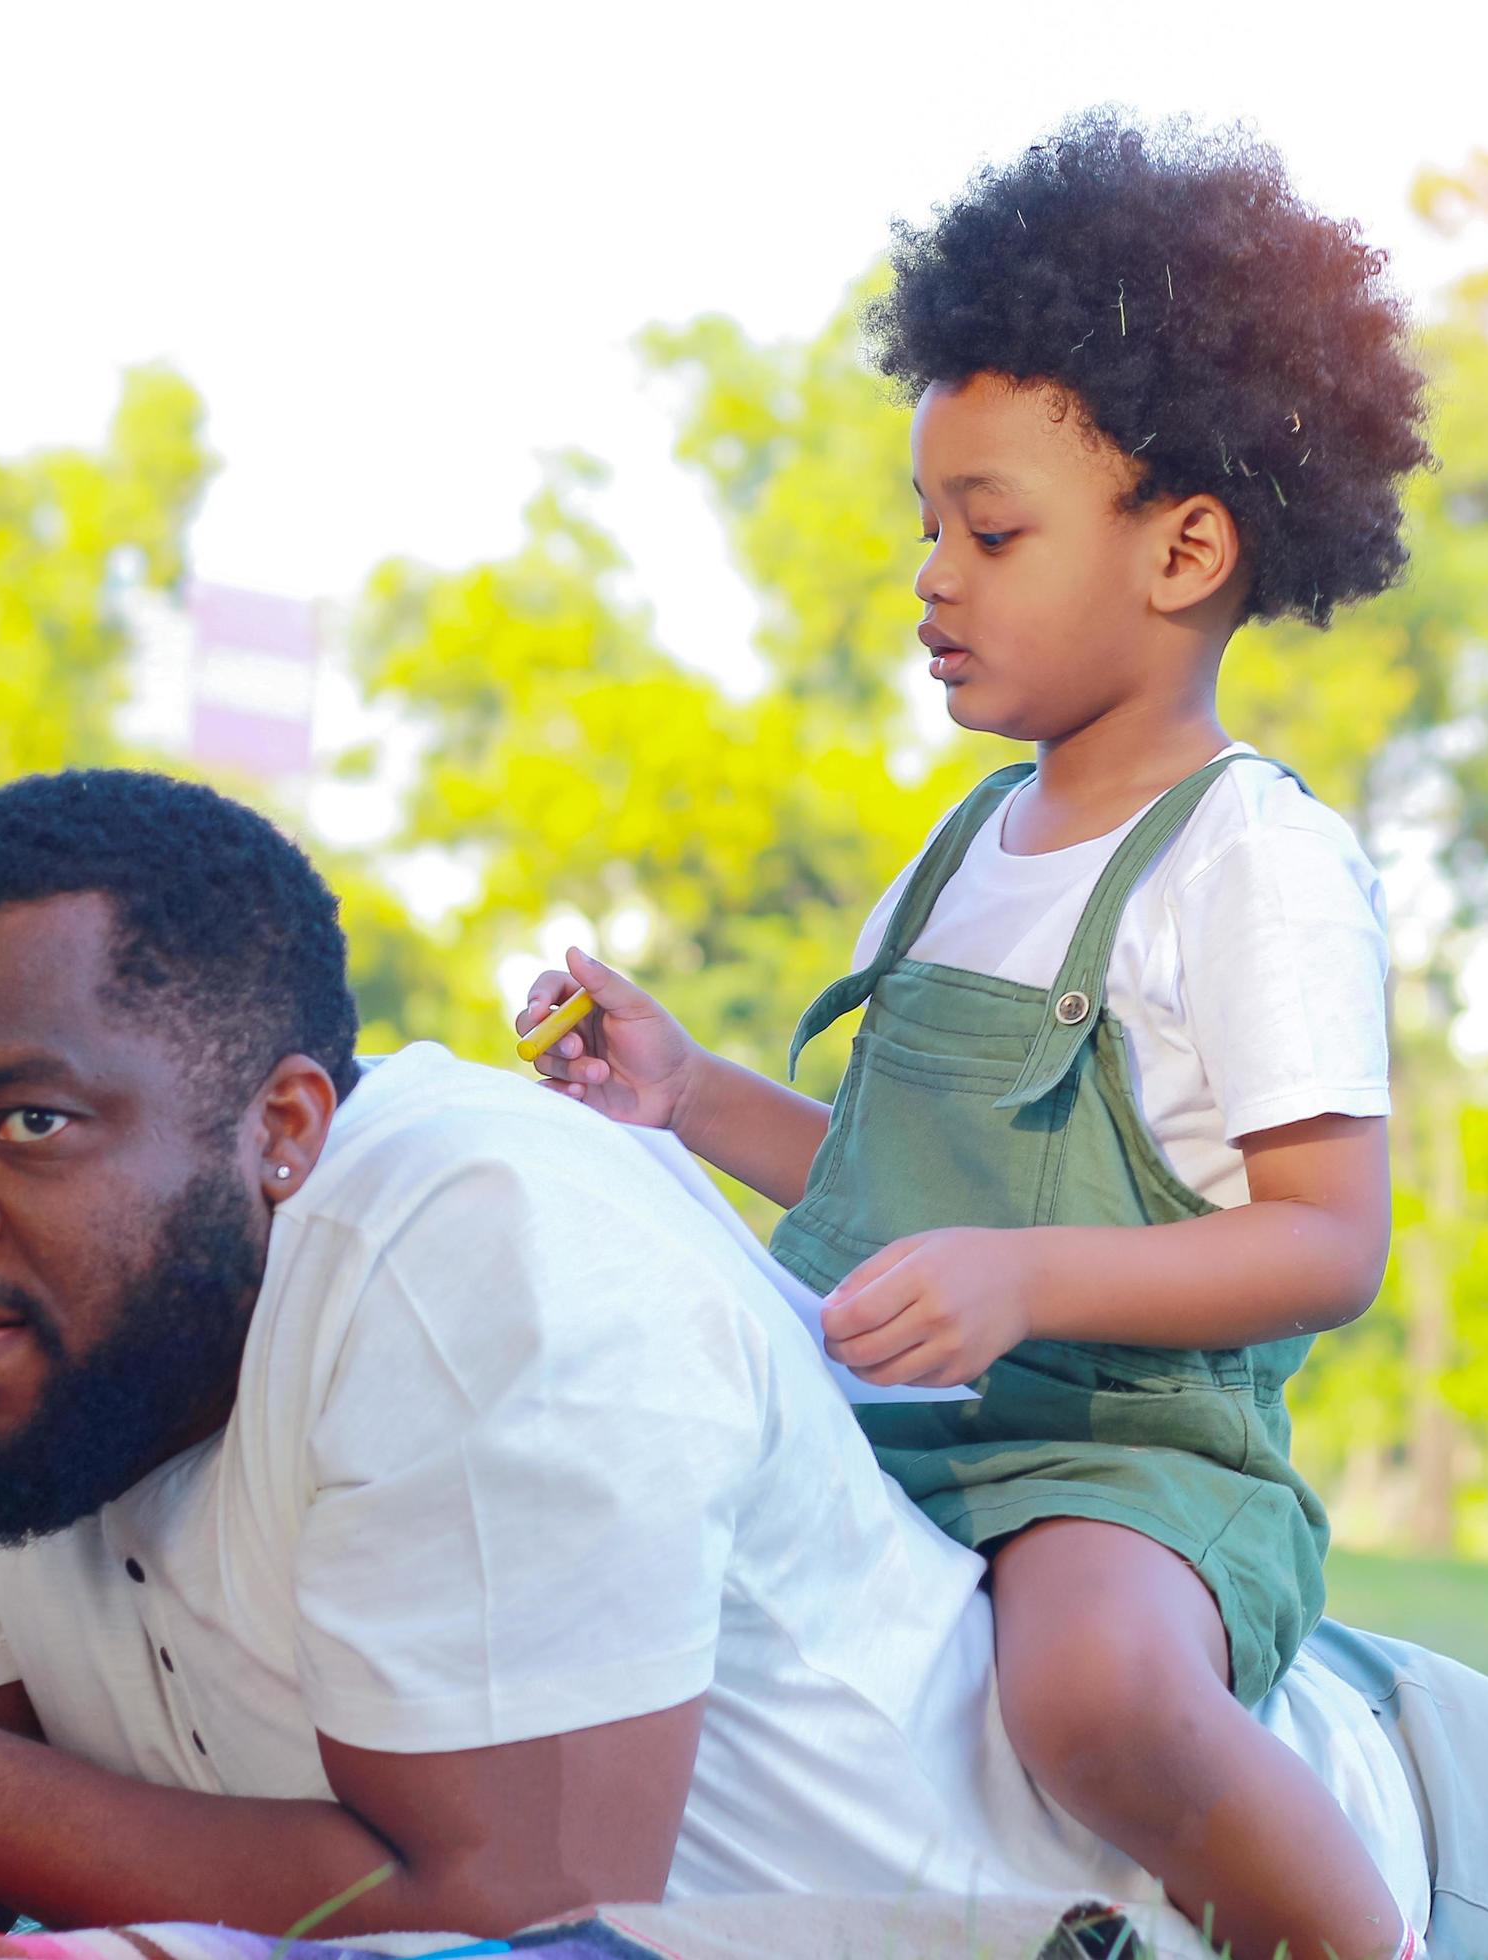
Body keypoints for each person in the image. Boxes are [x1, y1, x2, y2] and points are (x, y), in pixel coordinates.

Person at [0, 770, 1488, 1960]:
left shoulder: (477, 1234)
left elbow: (498, 1902)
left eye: (31, 1120)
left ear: (283, 1129)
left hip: (1435, 1882)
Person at [521, 111, 1428, 1959]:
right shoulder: (955, 852)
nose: (931, 574)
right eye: (924, 524)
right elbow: (873, 1191)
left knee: (1088, 1690)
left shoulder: (1248, 861)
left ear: (1182, 550)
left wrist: (1023, 1276)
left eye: (989, 530)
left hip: (1116, 1459)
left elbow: (1324, 1246)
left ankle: (1354, 1938)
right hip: (873, 1427)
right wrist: (686, 1096)